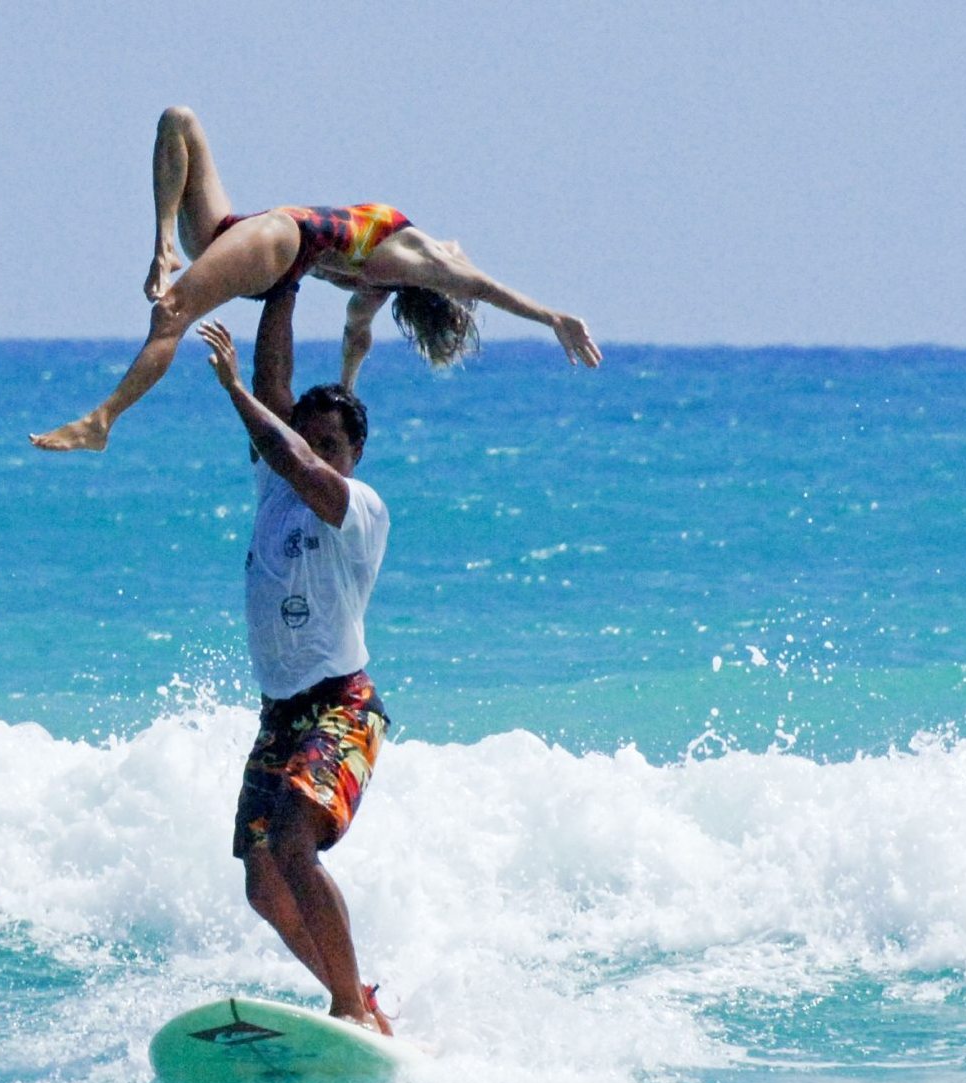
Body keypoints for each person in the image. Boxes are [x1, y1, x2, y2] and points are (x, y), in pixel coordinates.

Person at [31, 105, 601, 453]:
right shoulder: (378, 288)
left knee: (172, 315)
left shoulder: (427, 259)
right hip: (246, 236)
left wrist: (552, 317)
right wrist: (349, 394)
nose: (462, 250)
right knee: (177, 121)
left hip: (281, 241)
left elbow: (482, 287)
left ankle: (102, 421)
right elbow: (357, 338)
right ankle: (162, 244)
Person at [198, 284, 392, 1033]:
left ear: (354, 454)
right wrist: (283, 287)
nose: (314, 454)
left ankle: (346, 1003)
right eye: (308, 440)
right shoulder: (271, 485)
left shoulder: (356, 505)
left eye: (331, 445)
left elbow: (291, 451)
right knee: (260, 879)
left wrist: (233, 391)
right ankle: (359, 999)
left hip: (342, 706)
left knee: (293, 838)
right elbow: (279, 411)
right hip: (282, 714)